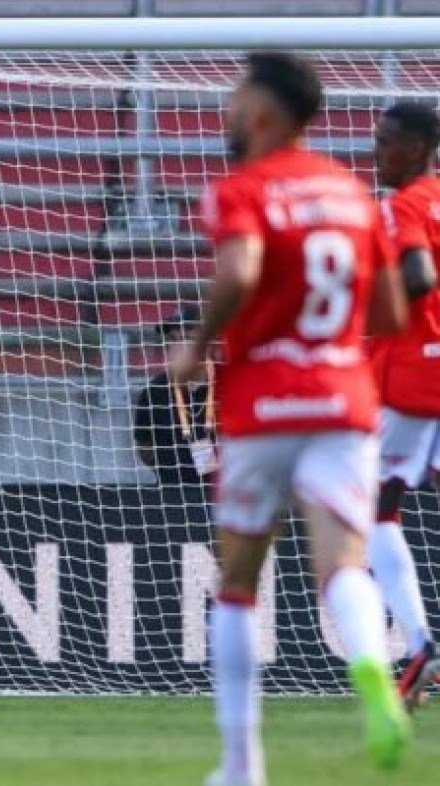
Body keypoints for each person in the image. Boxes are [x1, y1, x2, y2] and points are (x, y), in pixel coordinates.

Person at [169, 52, 410, 786]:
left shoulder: (243, 190)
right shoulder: (352, 194)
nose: (229, 110)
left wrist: (198, 347)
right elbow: (391, 311)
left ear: (266, 112)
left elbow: (240, 271)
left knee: (238, 583)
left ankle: (242, 766)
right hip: (343, 401)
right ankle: (374, 669)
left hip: (263, 402)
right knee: (342, 565)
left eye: (238, 97)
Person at [370, 101, 440, 709]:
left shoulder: (405, 205)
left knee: (374, 510)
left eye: (387, 141)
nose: (376, 150)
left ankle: (420, 645)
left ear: (417, 149)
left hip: (416, 376)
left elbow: (416, 277)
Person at [133, 304, 217, 489]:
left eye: (188, 339)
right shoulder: (155, 391)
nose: (180, 347)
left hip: (225, 497)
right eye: (173, 339)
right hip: (173, 499)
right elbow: (145, 448)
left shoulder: (230, 384)